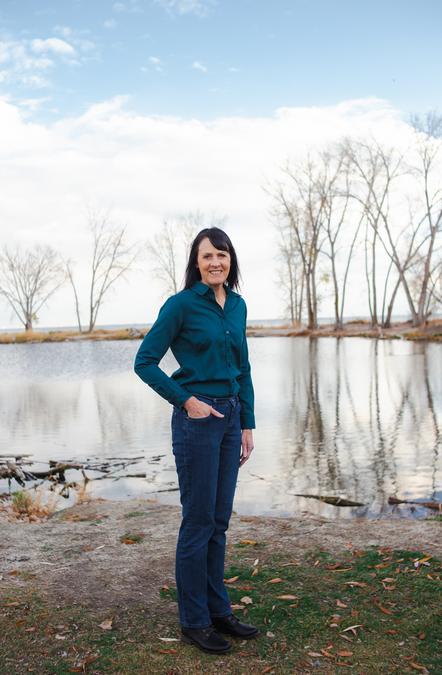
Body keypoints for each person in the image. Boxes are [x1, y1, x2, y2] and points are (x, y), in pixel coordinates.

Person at [134, 227, 259, 654]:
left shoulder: (238, 306)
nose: (215, 263)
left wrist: (247, 422)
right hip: (198, 420)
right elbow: (145, 362)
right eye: (207, 256)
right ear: (196, 261)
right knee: (198, 521)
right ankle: (194, 620)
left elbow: (243, 369)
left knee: (219, 521)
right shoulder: (181, 305)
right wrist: (186, 401)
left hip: (230, 418)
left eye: (221, 255)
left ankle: (218, 610)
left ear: (230, 260)